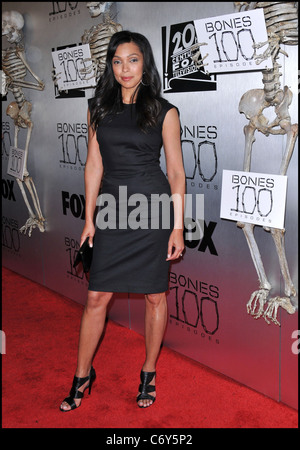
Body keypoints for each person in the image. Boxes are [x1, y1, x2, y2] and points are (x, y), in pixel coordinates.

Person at [60, 30, 185, 411]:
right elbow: (94, 164)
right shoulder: (98, 108)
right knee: (96, 295)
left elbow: (177, 173)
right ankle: (82, 374)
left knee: (154, 296)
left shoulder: (164, 111)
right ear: (110, 66)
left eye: (132, 60)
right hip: (112, 209)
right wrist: (88, 219)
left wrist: (177, 225)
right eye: (117, 61)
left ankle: (148, 371)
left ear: (144, 63)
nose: (124, 68)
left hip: (152, 209)